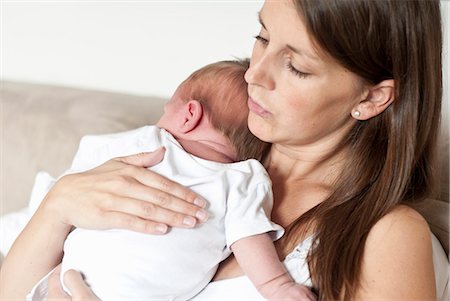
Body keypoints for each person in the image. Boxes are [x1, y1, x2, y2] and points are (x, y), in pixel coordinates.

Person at [0, 0, 442, 300]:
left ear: (372, 98)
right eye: (263, 37)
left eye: (296, 66)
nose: (255, 74)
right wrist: (57, 208)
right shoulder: (175, 155)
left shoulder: (384, 237)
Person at [25, 60, 315, 301]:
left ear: (189, 115)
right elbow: (249, 238)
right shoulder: (244, 178)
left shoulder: (141, 142)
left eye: (167, 109)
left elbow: (76, 183)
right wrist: (278, 286)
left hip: (69, 278)